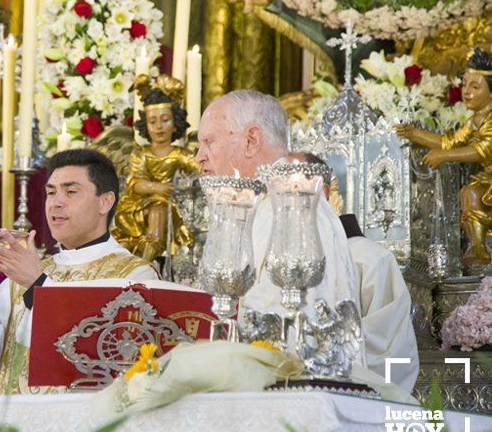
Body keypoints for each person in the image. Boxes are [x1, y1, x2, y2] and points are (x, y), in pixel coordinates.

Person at [0, 149, 158, 394]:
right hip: (11, 426)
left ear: (105, 201)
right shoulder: (27, 272)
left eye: (71, 191)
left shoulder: (135, 276)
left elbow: (112, 360)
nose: (56, 202)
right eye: (51, 192)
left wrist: (38, 286)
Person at [195, 89, 360, 319]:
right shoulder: (258, 203)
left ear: (251, 141)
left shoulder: (293, 205)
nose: (199, 156)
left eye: (209, 142)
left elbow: (288, 325)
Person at [292, 152, 419, 392]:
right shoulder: (281, 260)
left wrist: (305, 347)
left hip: (351, 401)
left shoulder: (370, 259)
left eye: (290, 189)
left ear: (322, 193)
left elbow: (391, 349)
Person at [396, 47, 492, 265]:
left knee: (472, 194)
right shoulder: (475, 120)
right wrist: (414, 133)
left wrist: (445, 156)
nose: (466, 92)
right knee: (469, 194)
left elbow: (482, 150)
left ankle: (479, 248)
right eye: (464, 84)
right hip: (487, 179)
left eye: (475, 87)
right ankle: (478, 248)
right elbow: (449, 141)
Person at [113, 75, 201, 262]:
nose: (159, 127)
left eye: (165, 120)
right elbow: (135, 182)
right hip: (135, 206)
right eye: (153, 122)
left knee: (159, 208)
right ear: (145, 125)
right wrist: (158, 188)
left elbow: (199, 167)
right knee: (154, 209)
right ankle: (136, 262)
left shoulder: (178, 154)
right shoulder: (141, 153)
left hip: (165, 205)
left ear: (175, 122)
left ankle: (149, 257)